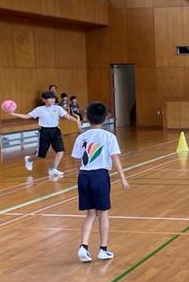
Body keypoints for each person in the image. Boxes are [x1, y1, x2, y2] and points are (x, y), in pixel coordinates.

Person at [73, 102, 129, 262]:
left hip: (84, 176)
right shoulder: (109, 137)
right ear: (105, 118)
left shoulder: (81, 137)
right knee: (103, 213)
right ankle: (103, 249)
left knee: (90, 214)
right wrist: (123, 178)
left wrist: (80, 176)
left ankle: (83, 247)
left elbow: (77, 161)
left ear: (87, 118)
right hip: (100, 176)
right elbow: (115, 158)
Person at [11, 90, 81, 177]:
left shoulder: (58, 108)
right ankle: (29, 159)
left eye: (53, 98)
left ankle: (53, 168)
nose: (52, 100)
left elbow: (67, 116)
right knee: (41, 155)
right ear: (44, 100)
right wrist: (13, 114)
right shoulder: (39, 109)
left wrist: (77, 121)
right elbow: (26, 116)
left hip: (55, 131)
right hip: (44, 132)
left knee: (60, 150)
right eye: (49, 98)